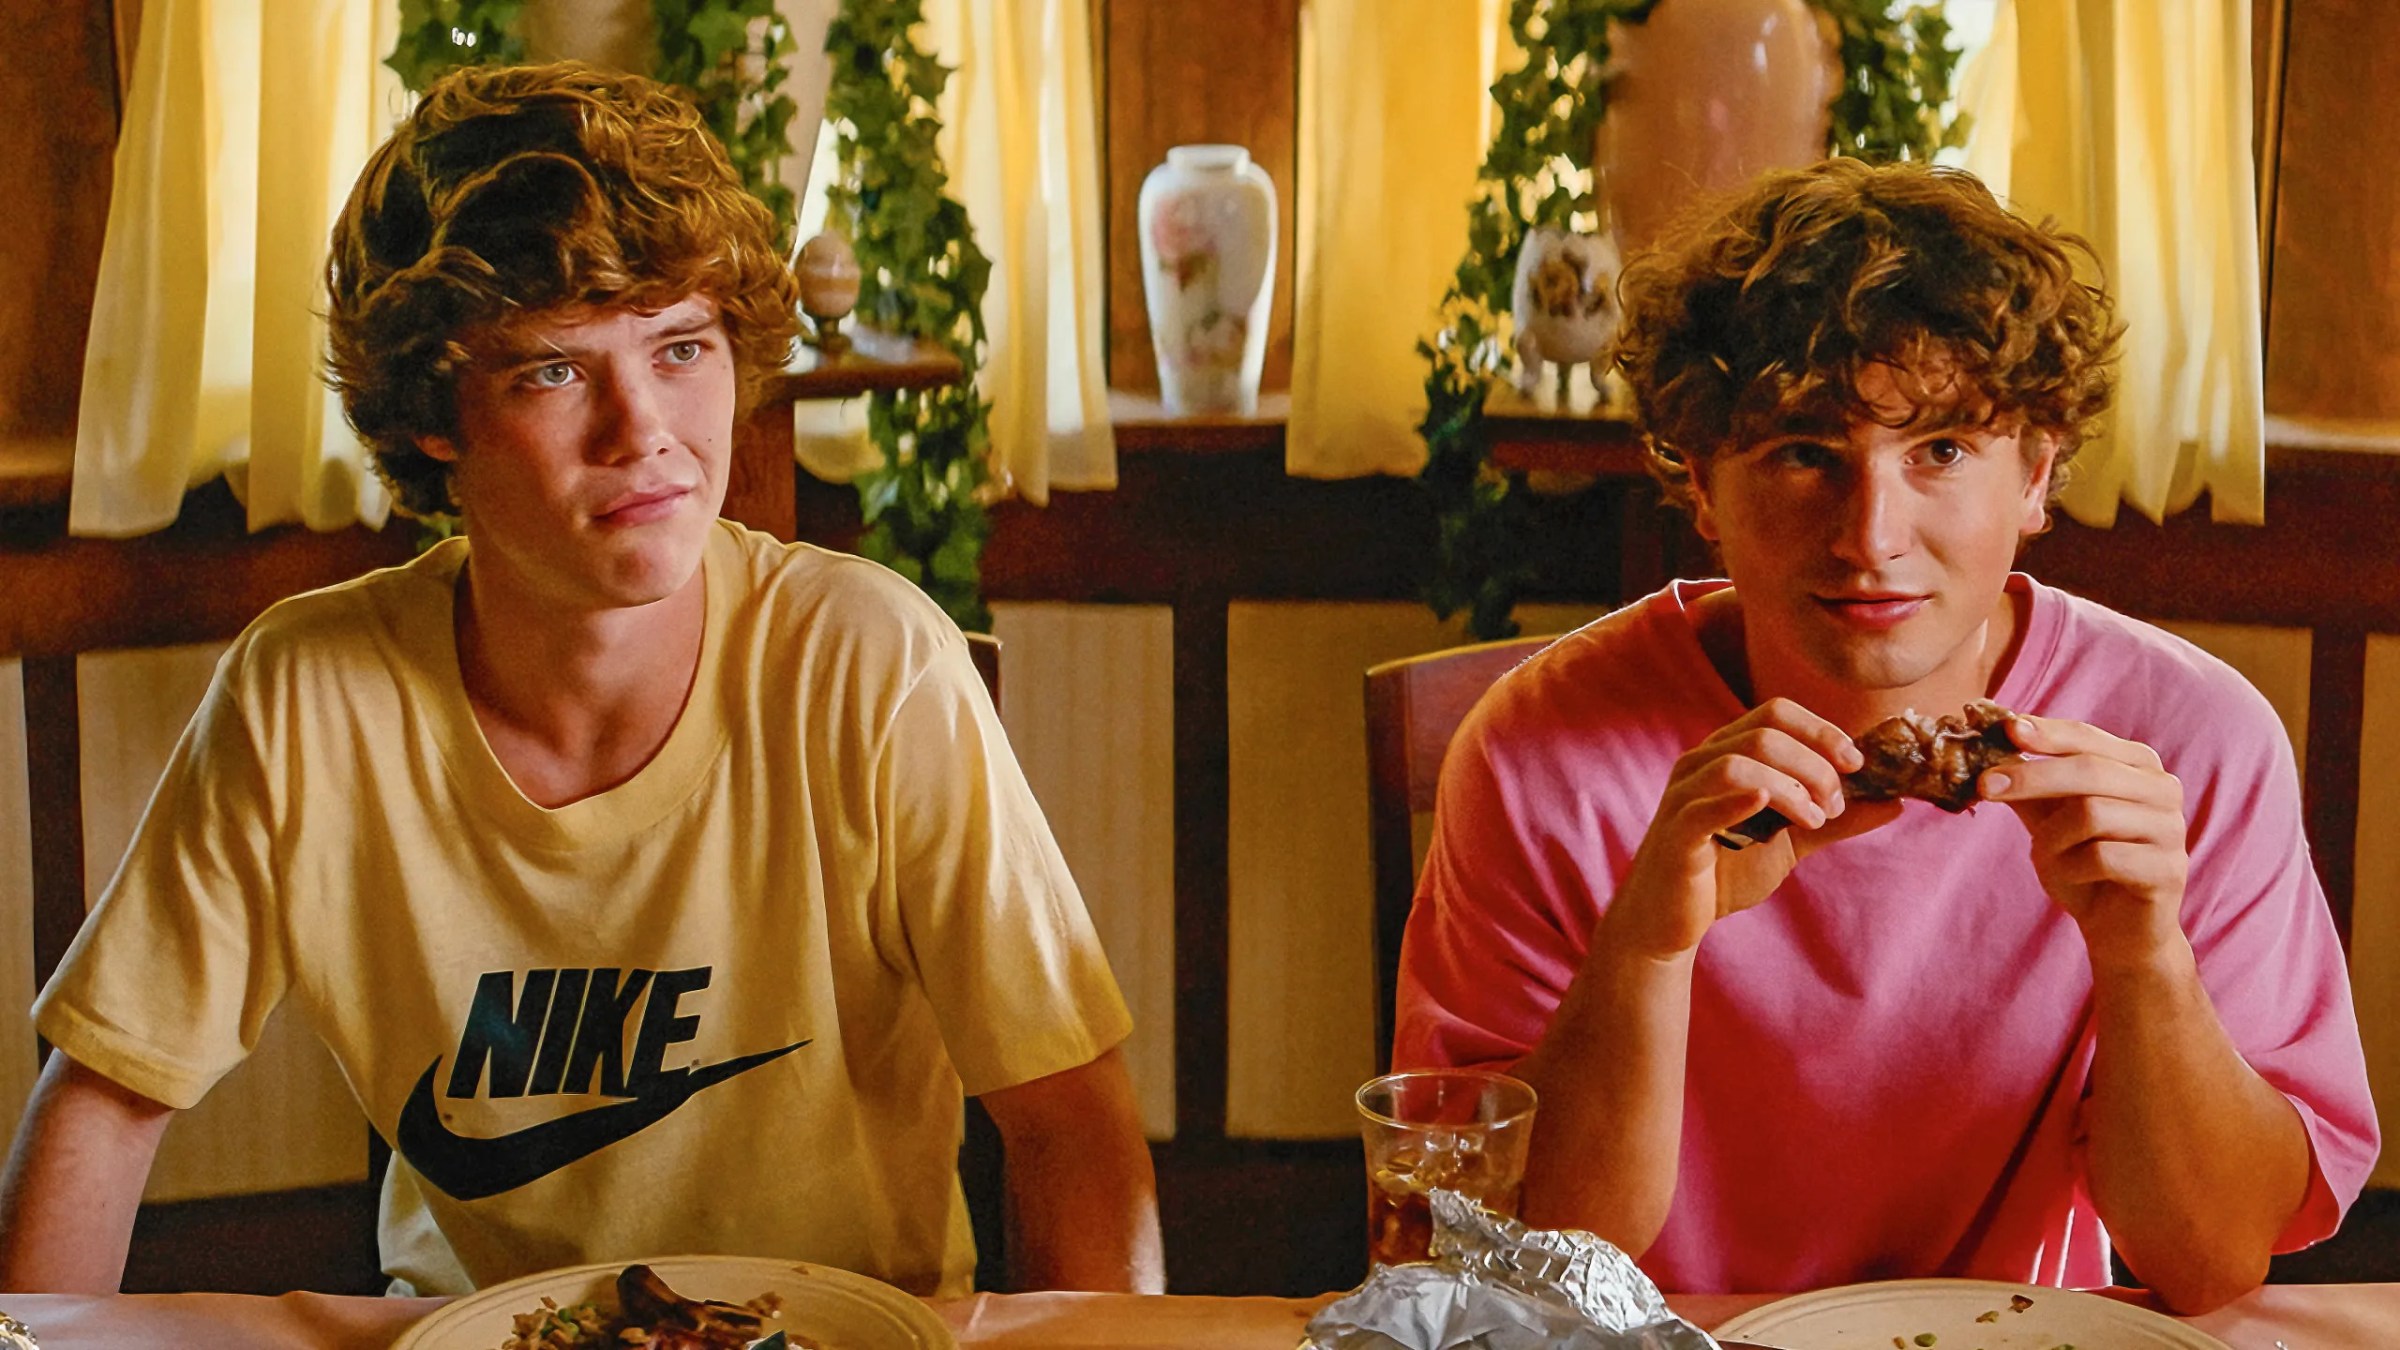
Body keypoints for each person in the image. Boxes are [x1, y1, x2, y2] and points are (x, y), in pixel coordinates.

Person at [0, 61, 1163, 1299]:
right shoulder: (307, 695)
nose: (643, 430)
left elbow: (1068, 1125)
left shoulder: (874, 665)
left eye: (679, 348)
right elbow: (104, 1111)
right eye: (553, 371)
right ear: (433, 411)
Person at [1394, 158, 2378, 1314]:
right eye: (1803, 453)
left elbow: (2211, 1260)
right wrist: (1649, 952)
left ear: (2038, 472)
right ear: (1701, 482)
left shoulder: (2193, 749)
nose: (1871, 537)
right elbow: (1507, 1270)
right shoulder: (1537, 750)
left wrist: (2143, 956)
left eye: (1941, 452)